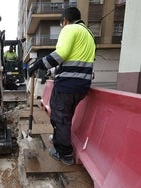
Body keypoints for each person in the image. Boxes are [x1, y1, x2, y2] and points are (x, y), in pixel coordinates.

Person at [28, 7, 96, 166]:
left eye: (61, 24)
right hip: (82, 86)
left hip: (67, 84)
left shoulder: (69, 29)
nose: (61, 27)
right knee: (65, 116)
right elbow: (75, 58)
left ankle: (64, 153)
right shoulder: (88, 34)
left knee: (60, 118)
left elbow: (61, 54)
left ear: (65, 21)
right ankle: (59, 139)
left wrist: (38, 64)